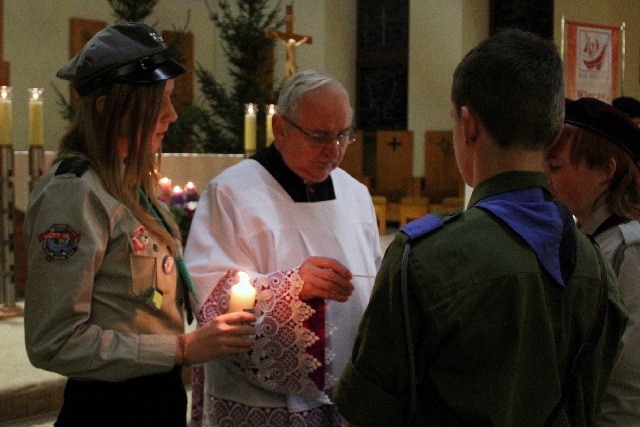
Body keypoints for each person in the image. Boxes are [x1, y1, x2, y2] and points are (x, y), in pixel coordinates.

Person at [334, 29, 628, 426]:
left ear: (468, 125)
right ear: (554, 133)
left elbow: (365, 414)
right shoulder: (597, 264)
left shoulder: (424, 258)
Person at [23, 23, 256, 427]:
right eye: (159, 102)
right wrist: (181, 349)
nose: (172, 115)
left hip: (156, 398)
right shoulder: (75, 193)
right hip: (109, 407)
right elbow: (54, 342)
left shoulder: (131, 181)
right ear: (109, 106)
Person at [184, 69, 382, 426]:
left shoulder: (355, 194)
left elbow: (374, 282)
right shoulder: (230, 193)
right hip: (263, 404)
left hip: (347, 399)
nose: (334, 152)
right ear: (280, 128)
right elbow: (209, 296)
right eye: (320, 137)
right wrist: (293, 290)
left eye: (343, 136)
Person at [545, 97, 640, 426]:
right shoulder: (585, 235)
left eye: (556, 167)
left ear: (606, 170)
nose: (545, 177)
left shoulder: (630, 249)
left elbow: (628, 378)